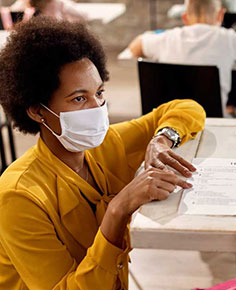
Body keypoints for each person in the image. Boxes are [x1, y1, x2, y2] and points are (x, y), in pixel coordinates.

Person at [0, 17, 205, 289]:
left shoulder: (105, 146)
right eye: (79, 98)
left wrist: (162, 138)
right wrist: (119, 208)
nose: (97, 108)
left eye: (99, 92)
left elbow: (187, 108)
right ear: (37, 111)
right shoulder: (18, 196)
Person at [128, 0, 236, 117]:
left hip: (167, 122)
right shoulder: (228, 39)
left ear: (185, 17)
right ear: (220, 15)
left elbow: (135, 47)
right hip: (214, 122)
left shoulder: (166, 39)